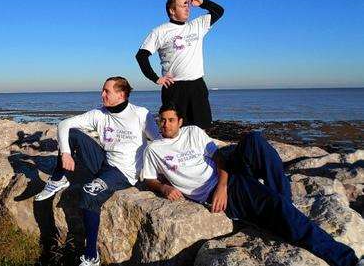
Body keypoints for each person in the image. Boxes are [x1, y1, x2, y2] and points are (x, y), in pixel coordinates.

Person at [141, 103, 361, 266]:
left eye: (171, 120)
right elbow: (149, 178)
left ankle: (284, 203)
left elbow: (219, 158)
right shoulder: (154, 149)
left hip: (227, 180)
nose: (165, 124)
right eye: (162, 120)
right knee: (278, 208)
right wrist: (164, 187)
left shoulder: (193, 132)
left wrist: (222, 186)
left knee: (254, 139)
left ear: (180, 121)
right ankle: (347, 260)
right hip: (228, 193)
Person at [35, 76, 160, 266]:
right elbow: (63, 125)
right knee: (72, 133)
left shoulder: (141, 114)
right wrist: (66, 154)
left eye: (106, 91)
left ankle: (92, 255)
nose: (102, 94)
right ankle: (59, 178)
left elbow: (157, 142)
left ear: (121, 94)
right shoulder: (99, 114)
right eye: (103, 90)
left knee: (89, 192)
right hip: (103, 161)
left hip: (123, 172)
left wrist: (165, 176)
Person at [136, 0, 224, 129]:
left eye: (188, 5)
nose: (187, 8)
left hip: (197, 86)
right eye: (183, 5)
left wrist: (202, 3)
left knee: (202, 128)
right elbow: (141, 56)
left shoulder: (197, 25)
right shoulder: (160, 31)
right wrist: (156, 78)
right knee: (174, 130)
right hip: (174, 88)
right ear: (172, 11)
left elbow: (219, 11)